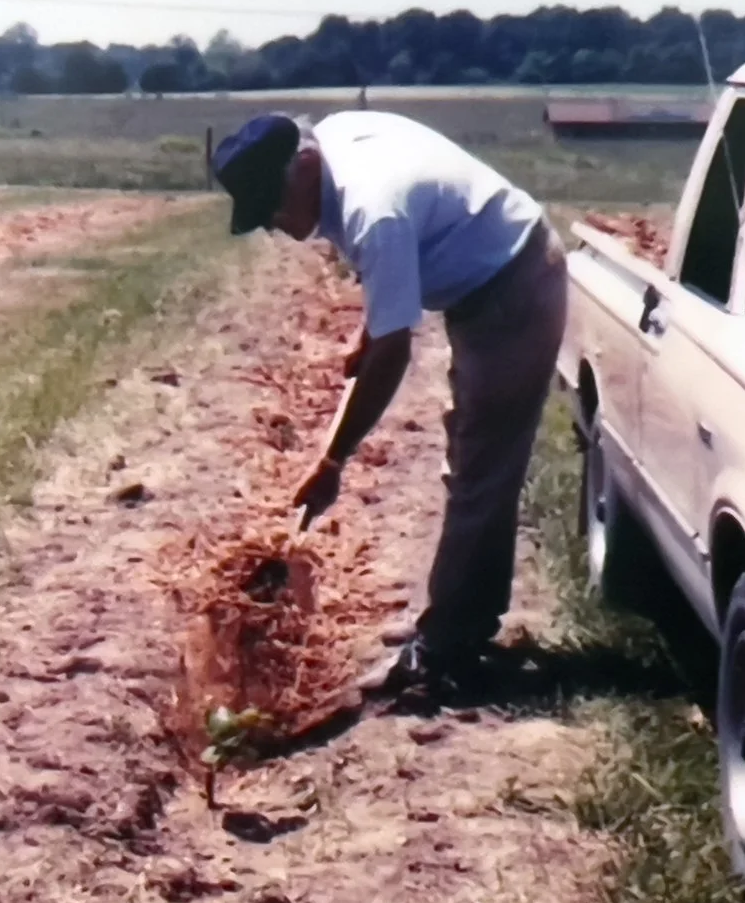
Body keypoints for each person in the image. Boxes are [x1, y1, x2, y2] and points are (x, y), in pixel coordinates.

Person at [210, 111, 569, 700]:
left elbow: (393, 355)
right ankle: (460, 619)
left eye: (272, 207)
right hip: (490, 280)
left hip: (513, 290)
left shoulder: (373, 208)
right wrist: (371, 330)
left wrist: (333, 463)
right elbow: (385, 313)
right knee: (473, 467)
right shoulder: (336, 145)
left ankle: (443, 655)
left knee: (480, 471)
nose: (275, 226)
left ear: (302, 167)